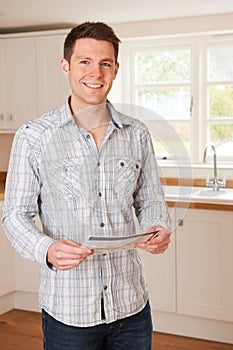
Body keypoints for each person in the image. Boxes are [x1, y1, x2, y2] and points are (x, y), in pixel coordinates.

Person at [2, 22, 171, 350]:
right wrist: (46, 249)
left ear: (116, 69)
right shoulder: (34, 136)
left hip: (131, 306)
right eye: (84, 62)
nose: (96, 72)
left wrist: (158, 225)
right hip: (69, 311)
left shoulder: (136, 133)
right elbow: (14, 215)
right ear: (65, 66)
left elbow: (150, 197)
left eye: (105, 63)